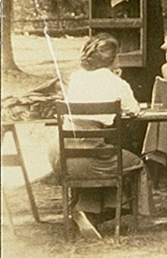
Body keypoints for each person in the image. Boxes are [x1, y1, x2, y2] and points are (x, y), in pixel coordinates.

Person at [55, 35, 144, 240]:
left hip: (67, 156)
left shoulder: (76, 78)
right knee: (135, 163)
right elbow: (134, 111)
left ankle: (87, 212)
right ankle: (121, 216)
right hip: (93, 157)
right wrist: (117, 78)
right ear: (114, 59)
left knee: (102, 156)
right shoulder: (117, 83)